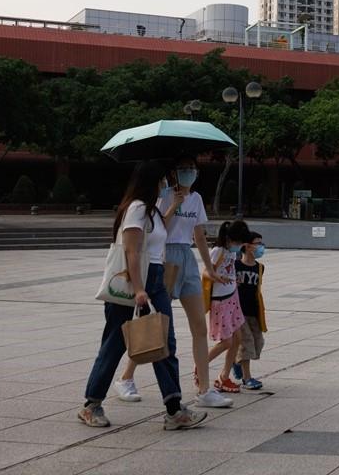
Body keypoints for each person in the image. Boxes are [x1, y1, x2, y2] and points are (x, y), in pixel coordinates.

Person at [78, 160, 206, 431]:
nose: (165, 185)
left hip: (157, 279)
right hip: (134, 282)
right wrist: (139, 289)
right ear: (150, 182)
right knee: (115, 342)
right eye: (161, 180)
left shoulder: (151, 212)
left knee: (164, 341)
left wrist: (174, 206)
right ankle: (91, 404)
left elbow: (159, 237)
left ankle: (174, 409)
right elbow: (132, 251)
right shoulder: (136, 209)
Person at [112, 157, 233, 409]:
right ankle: (126, 377)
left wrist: (208, 269)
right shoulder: (163, 195)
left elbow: (198, 236)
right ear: (174, 173)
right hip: (164, 259)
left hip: (186, 258)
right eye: (183, 168)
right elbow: (156, 228)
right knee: (157, 325)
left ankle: (204, 389)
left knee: (199, 326)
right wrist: (173, 206)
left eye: (192, 169)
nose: (188, 172)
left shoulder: (197, 199)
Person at [205, 220, 250, 394]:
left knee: (237, 338)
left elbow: (229, 271)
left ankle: (223, 377)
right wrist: (217, 277)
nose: (240, 246)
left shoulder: (231, 253)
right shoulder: (218, 251)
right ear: (230, 239)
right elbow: (206, 272)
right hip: (220, 301)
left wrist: (232, 280)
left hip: (232, 297)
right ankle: (200, 365)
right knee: (227, 341)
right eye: (239, 243)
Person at [231, 231, 267, 390]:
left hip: (254, 311)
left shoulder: (260, 267)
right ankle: (247, 378)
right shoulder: (235, 265)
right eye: (257, 243)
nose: (261, 247)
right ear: (246, 246)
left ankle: (235, 360)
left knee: (258, 342)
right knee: (247, 342)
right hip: (238, 311)